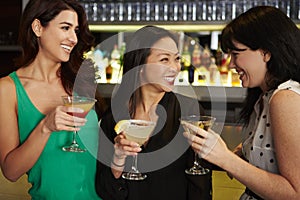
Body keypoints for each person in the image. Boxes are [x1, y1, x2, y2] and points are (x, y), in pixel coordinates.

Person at [183, 6, 300, 200]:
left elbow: (295, 193)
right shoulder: (264, 98)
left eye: (236, 54)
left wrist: (226, 158)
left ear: (265, 52)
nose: (230, 64)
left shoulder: (285, 99)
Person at [0, 0, 103, 199]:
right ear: (38, 27)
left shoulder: (80, 82)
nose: (73, 38)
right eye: (65, 27)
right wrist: (45, 127)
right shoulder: (8, 89)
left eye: (76, 30)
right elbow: (11, 171)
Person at [95, 25, 212, 200]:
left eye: (177, 59)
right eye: (164, 60)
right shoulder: (113, 119)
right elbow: (106, 191)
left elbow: (200, 184)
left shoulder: (189, 112)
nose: (175, 67)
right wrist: (118, 158)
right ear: (139, 64)